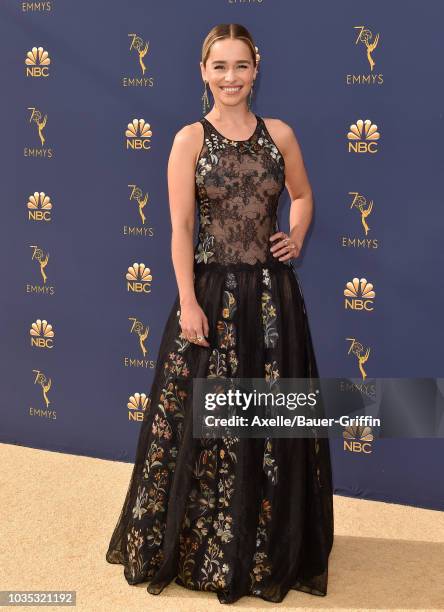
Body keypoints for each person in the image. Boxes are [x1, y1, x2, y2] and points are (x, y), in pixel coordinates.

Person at [106, 22, 334, 605]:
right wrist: (186, 299)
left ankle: (266, 542)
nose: (229, 78)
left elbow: (303, 195)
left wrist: (297, 234)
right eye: (219, 67)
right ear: (202, 72)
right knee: (203, 427)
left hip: (273, 298)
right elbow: (182, 228)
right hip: (208, 295)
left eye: (240, 66)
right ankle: (203, 543)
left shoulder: (280, 134)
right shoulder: (189, 139)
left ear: (256, 69)